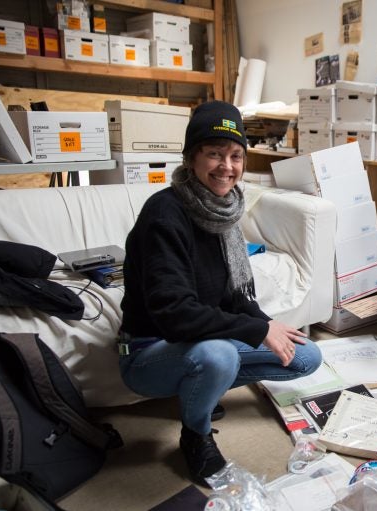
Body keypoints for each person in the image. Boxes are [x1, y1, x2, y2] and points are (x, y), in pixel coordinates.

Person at [117, 101, 322, 486]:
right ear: (192, 156)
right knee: (219, 354)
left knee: (305, 355)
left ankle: (200, 387)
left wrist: (266, 323)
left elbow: (235, 298)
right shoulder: (164, 215)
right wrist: (257, 332)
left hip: (197, 340)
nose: (226, 167)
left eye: (235, 156)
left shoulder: (223, 212)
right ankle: (195, 433)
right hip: (148, 352)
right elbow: (174, 314)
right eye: (214, 154)